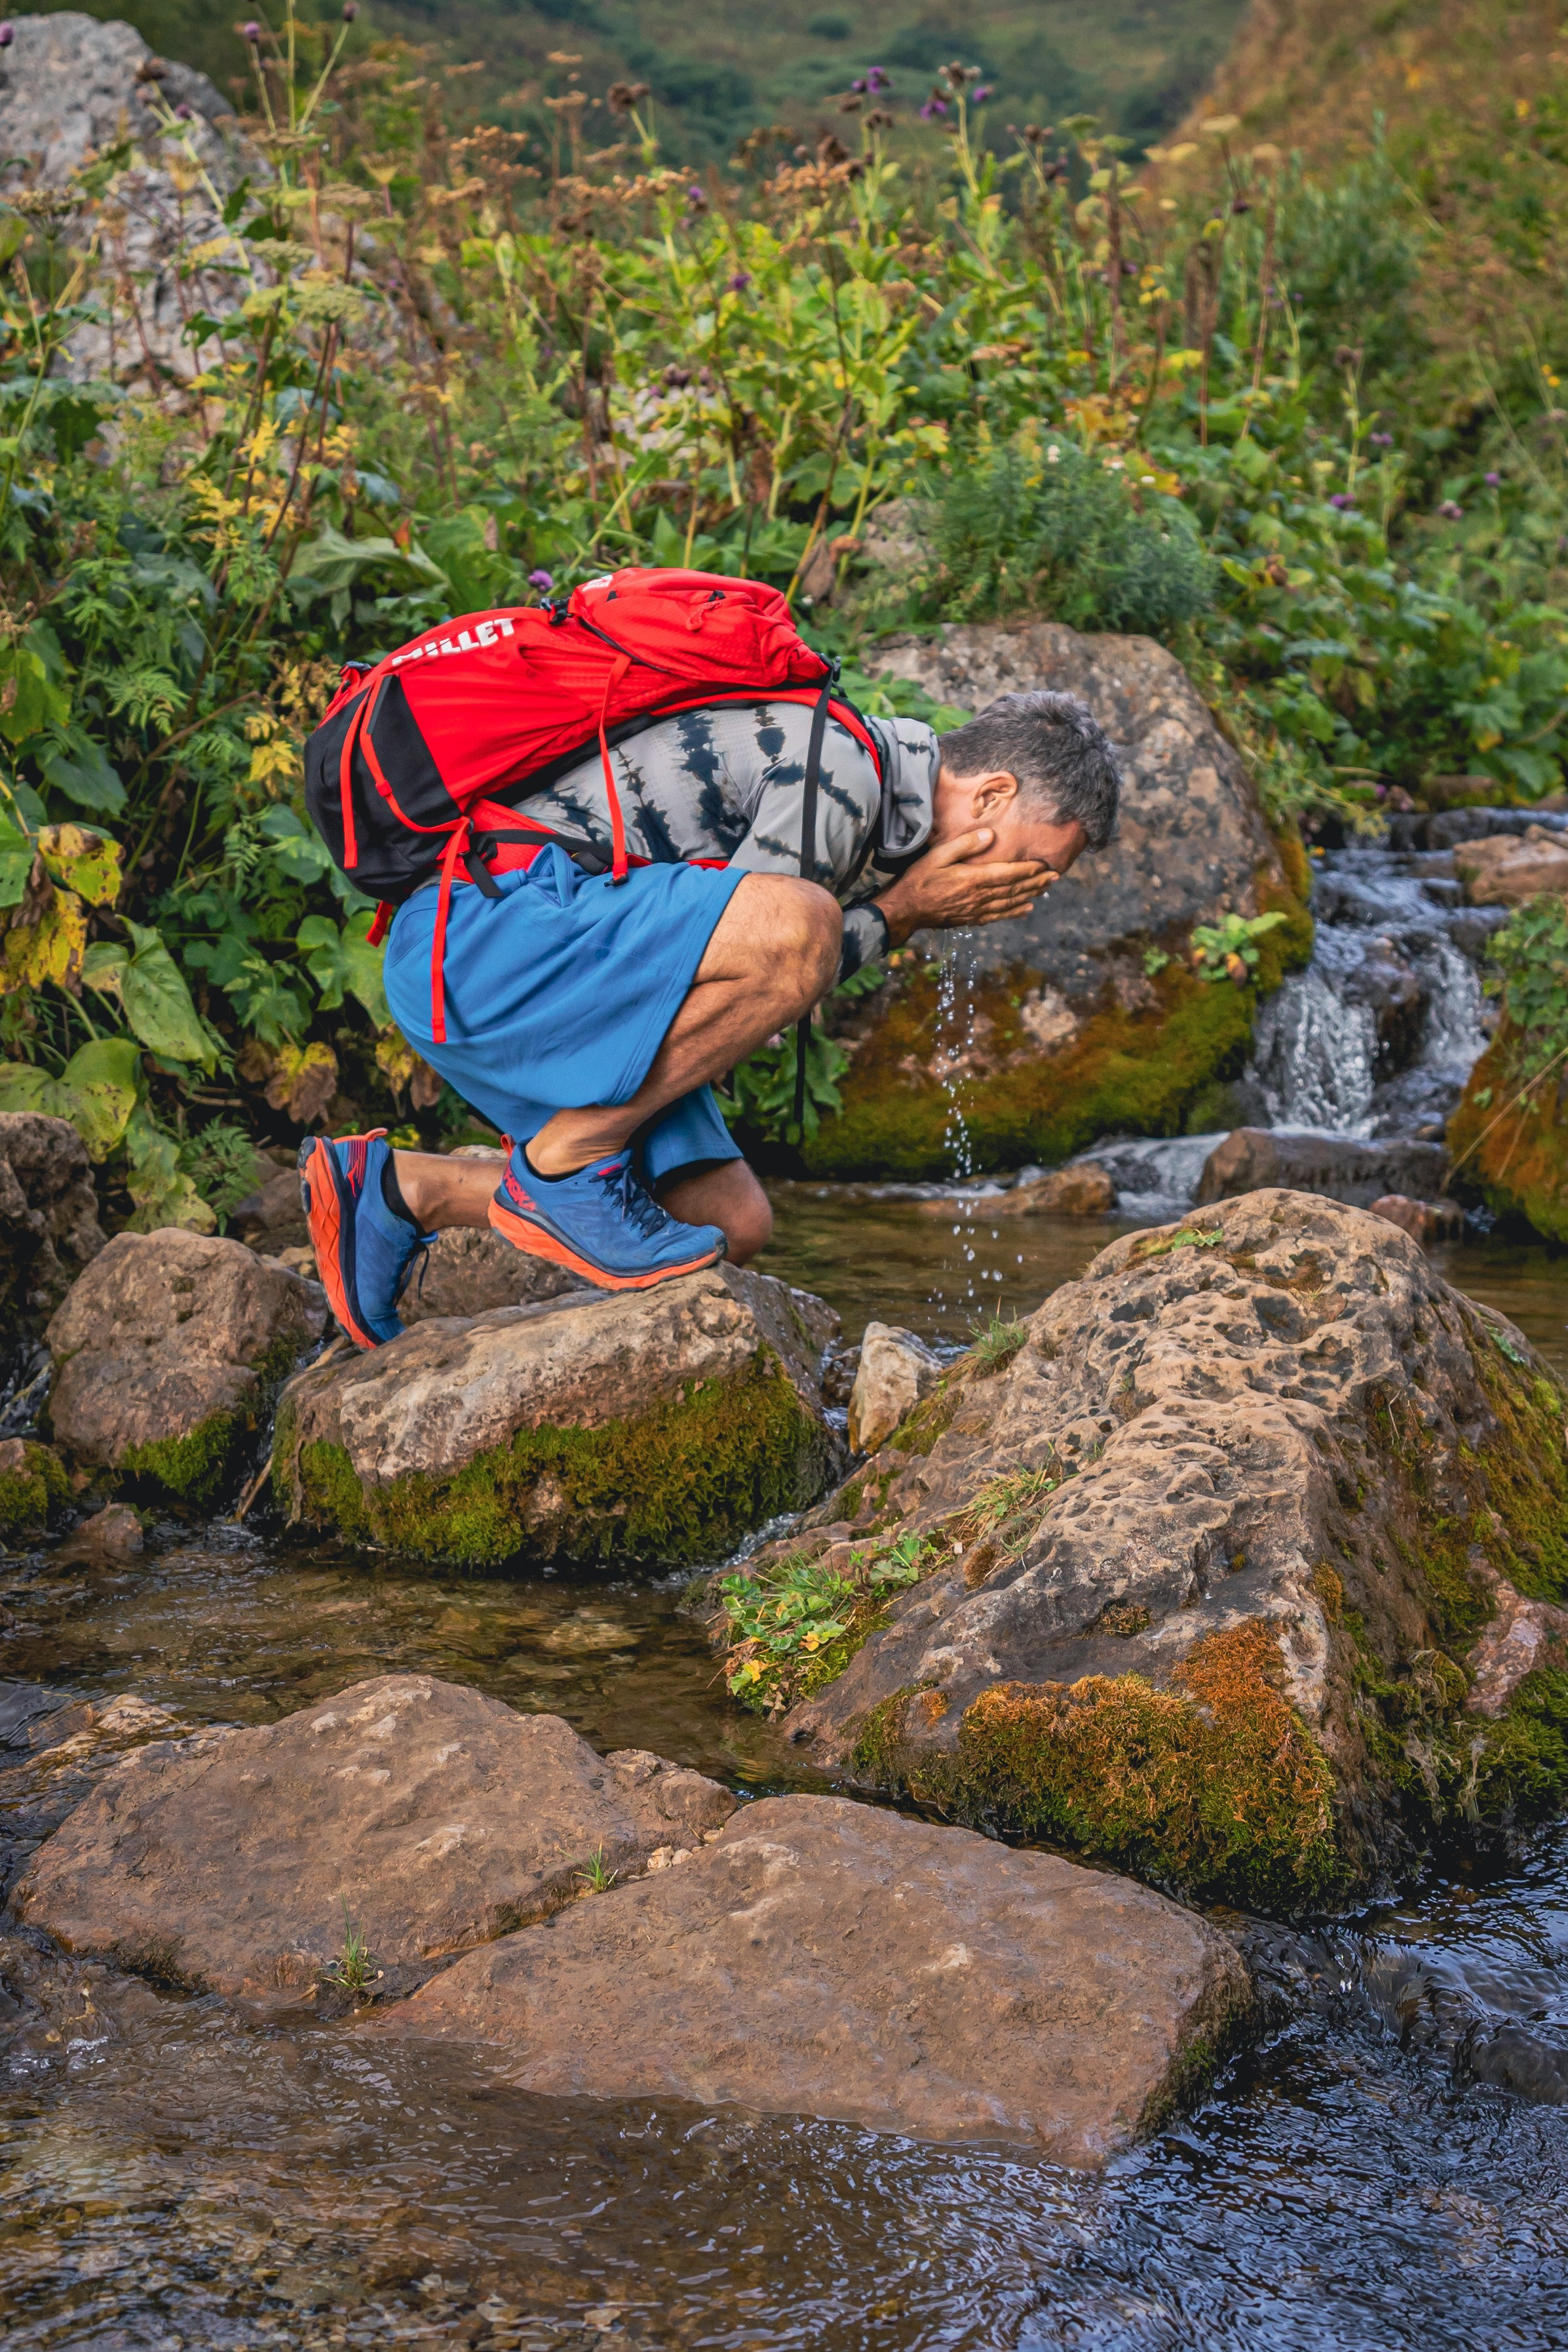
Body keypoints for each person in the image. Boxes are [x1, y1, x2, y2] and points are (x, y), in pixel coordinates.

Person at [299, 686, 1122, 1348]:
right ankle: (565, 1165)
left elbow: (741, 965)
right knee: (802, 923)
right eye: (1033, 863)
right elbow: (781, 949)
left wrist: (898, 907)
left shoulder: (876, 807)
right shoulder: (840, 766)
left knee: (729, 1221)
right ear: (992, 794)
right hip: (481, 940)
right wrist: (903, 910)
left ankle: (401, 1192)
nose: (1023, 890)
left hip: (539, 957)